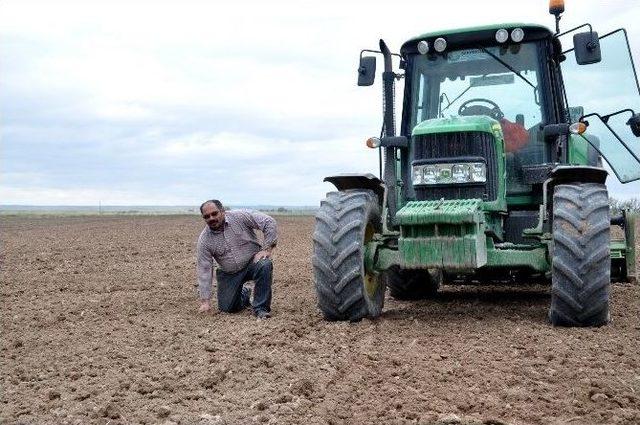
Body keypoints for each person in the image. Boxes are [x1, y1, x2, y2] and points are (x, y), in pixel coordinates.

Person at [196, 199, 277, 319]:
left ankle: (260, 308)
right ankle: (244, 293)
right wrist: (205, 302)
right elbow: (204, 270)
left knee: (264, 264)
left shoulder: (240, 216)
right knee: (227, 308)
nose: (211, 218)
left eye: (214, 213)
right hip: (229, 273)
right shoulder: (205, 240)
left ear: (222, 211)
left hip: (252, 263)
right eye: (207, 216)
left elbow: (269, 222)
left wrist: (267, 249)